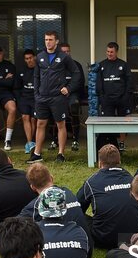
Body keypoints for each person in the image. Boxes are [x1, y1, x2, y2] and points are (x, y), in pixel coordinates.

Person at [3, 187, 93, 258]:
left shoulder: (31, 232)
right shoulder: (79, 231)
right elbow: (84, 257)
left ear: (41, 208)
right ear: (64, 208)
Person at [77, 145, 138, 250]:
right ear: (120, 161)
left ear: (100, 163)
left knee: (78, 215)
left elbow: (78, 208)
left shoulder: (91, 182)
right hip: (135, 236)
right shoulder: (133, 179)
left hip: (104, 239)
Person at [29, 31, 81, 163]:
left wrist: (68, 88)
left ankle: (61, 154)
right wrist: (36, 93)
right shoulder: (40, 56)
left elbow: (76, 73)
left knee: (60, 124)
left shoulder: (64, 57)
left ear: (56, 41)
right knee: (41, 123)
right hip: (42, 97)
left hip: (58, 97)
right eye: (46, 39)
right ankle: (37, 154)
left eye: (51, 39)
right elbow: (36, 76)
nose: (48, 42)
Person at [19, 163, 90, 236]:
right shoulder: (67, 192)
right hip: (85, 242)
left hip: (63, 243)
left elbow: (15, 227)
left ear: (32, 187)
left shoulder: (35, 205)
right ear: (51, 178)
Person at [96, 41, 133, 149]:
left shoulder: (123, 65)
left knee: (123, 122)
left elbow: (129, 81)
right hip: (107, 100)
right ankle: (110, 143)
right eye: (107, 51)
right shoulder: (102, 65)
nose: (109, 54)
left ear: (116, 52)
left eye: (111, 52)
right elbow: (99, 83)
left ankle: (121, 143)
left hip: (121, 99)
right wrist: (101, 97)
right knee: (108, 122)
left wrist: (126, 96)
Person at [57, 42, 87, 152]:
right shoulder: (56, 65)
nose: (66, 53)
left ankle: (75, 139)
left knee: (74, 107)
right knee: (53, 107)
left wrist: (69, 90)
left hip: (73, 93)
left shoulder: (76, 65)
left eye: (67, 51)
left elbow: (80, 82)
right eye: (63, 52)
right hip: (58, 93)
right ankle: (55, 140)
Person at [15, 49, 38, 154]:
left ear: (35, 57)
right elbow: (17, 87)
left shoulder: (39, 69)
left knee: (34, 119)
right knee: (25, 117)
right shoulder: (21, 70)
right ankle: (29, 142)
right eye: (26, 59)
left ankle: (33, 140)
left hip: (36, 98)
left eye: (30, 58)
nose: (29, 60)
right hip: (24, 98)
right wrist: (19, 99)